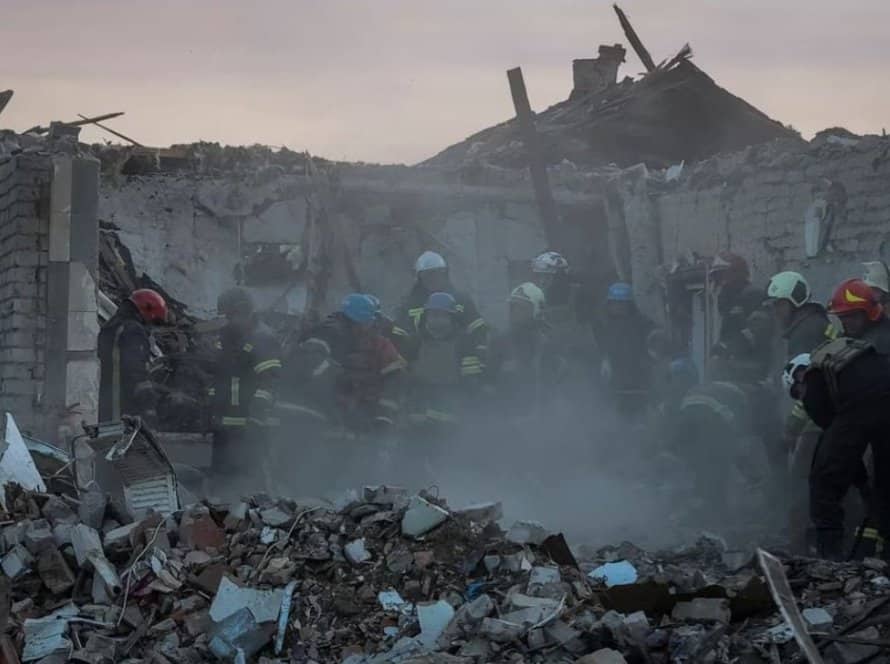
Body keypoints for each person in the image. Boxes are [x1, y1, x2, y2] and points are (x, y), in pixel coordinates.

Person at [793, 328, 890, 560]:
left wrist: (860, 482)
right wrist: (865, 486)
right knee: (886, 485)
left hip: (866, 403)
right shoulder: (847, 364)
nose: (801, 399)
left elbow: (836, 453)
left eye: (797, 393)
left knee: (823, 482)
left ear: (798, 377)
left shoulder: (814, 382)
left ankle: (830, 562)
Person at [208, 287, 282, 482]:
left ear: (243, 311)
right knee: (221, 481)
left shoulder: (263, 338)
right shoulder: (228, 338)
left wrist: (257, 416)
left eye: (230, 316)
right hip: (223, 426)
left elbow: (270, 380)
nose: (227, 321)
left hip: (248, 427)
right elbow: (219, 375)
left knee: (248, 482)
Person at [302, 293, 406, 432]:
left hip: (367, 411)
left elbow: (395, 379)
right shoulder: (331, 335)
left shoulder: (381, 345)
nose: (372, 325)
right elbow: (316, 374)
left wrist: (383, 416)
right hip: (329, 410)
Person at [404, 292, 486, 428]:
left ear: (452, 318)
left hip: (450, 412)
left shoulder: (463, 342)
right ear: (426, 316)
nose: (437, 319)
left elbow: (471, 380)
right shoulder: (414, 342)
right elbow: (403, 376)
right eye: (433, 315)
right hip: (417, 411)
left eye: (442, 315)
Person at [98, 289, 168, 423]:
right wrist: (149, 406)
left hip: (106, 404)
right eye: (155, 323)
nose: (153, 328)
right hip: (124, 407)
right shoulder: (133, 330)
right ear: (148, 312)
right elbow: (136, 371)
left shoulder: (111, 325)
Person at [395, 251, 486, 343]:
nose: (433, 278)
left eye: (438, 273)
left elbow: (478, 329)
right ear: (419, 278)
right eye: (428, 274)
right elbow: (398, 337)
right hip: (420, 354)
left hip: (459, 353)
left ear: (445, 274)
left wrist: (477, 351)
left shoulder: (461, 300)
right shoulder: (409, 304)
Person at [593, 282, 655, 416]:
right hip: (612, 385)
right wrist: (604, 359)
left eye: (622, 304)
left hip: (637, 384)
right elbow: (600, 347)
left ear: (629, 305)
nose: (617, 307)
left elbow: (654, 343)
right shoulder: (603, 324)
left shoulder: (642, 324)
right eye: (614, 303)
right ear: (608, 304)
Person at [710, 252, 770, 364]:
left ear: (736, 273)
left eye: (723, 275)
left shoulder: (752, 295)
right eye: (718, 278)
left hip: (751, 367)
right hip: (733, 366)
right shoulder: (729, 300)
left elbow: (757, 337)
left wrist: (729, 348)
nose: (722, 283)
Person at [766, 271, 838, 357]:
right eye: (774, 305)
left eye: (780, 305)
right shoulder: (817, 319)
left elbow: (800, 369)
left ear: (796, 301)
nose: (776, 311)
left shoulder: (803, 334)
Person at [828, 278, 890, 354]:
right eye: (842, 317)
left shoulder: (880, 344)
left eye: (852, 316)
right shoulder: (859, 333)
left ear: (869, 312)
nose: (846, 322)